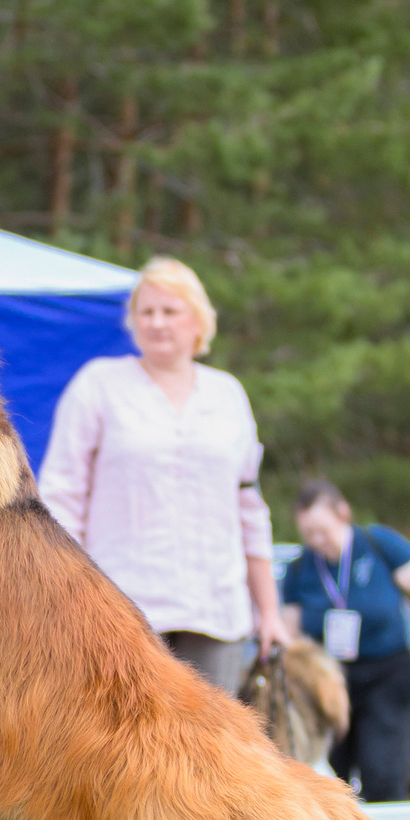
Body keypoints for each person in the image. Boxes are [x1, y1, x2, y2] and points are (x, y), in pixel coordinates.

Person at [39, 256, 286, 695]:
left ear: (199, 323)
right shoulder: (98, 385)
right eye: (146, 312)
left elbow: (251, 509)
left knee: (211, 754)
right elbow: (61, 499)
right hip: (119, 609)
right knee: (123, 751)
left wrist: (269, 612)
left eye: (170, 311)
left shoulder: (228, 395)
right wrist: (68, 593)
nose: (157, 322)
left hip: (216, 610)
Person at [278, 479, 410, 802]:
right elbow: (289, 634)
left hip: (386, 674)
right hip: (328, 681)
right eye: (309, 534)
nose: (317, 541)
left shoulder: (379, 545)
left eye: (323, 530)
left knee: (383, 773)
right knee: (330, 781)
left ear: (343, 513)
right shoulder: (300, 569)